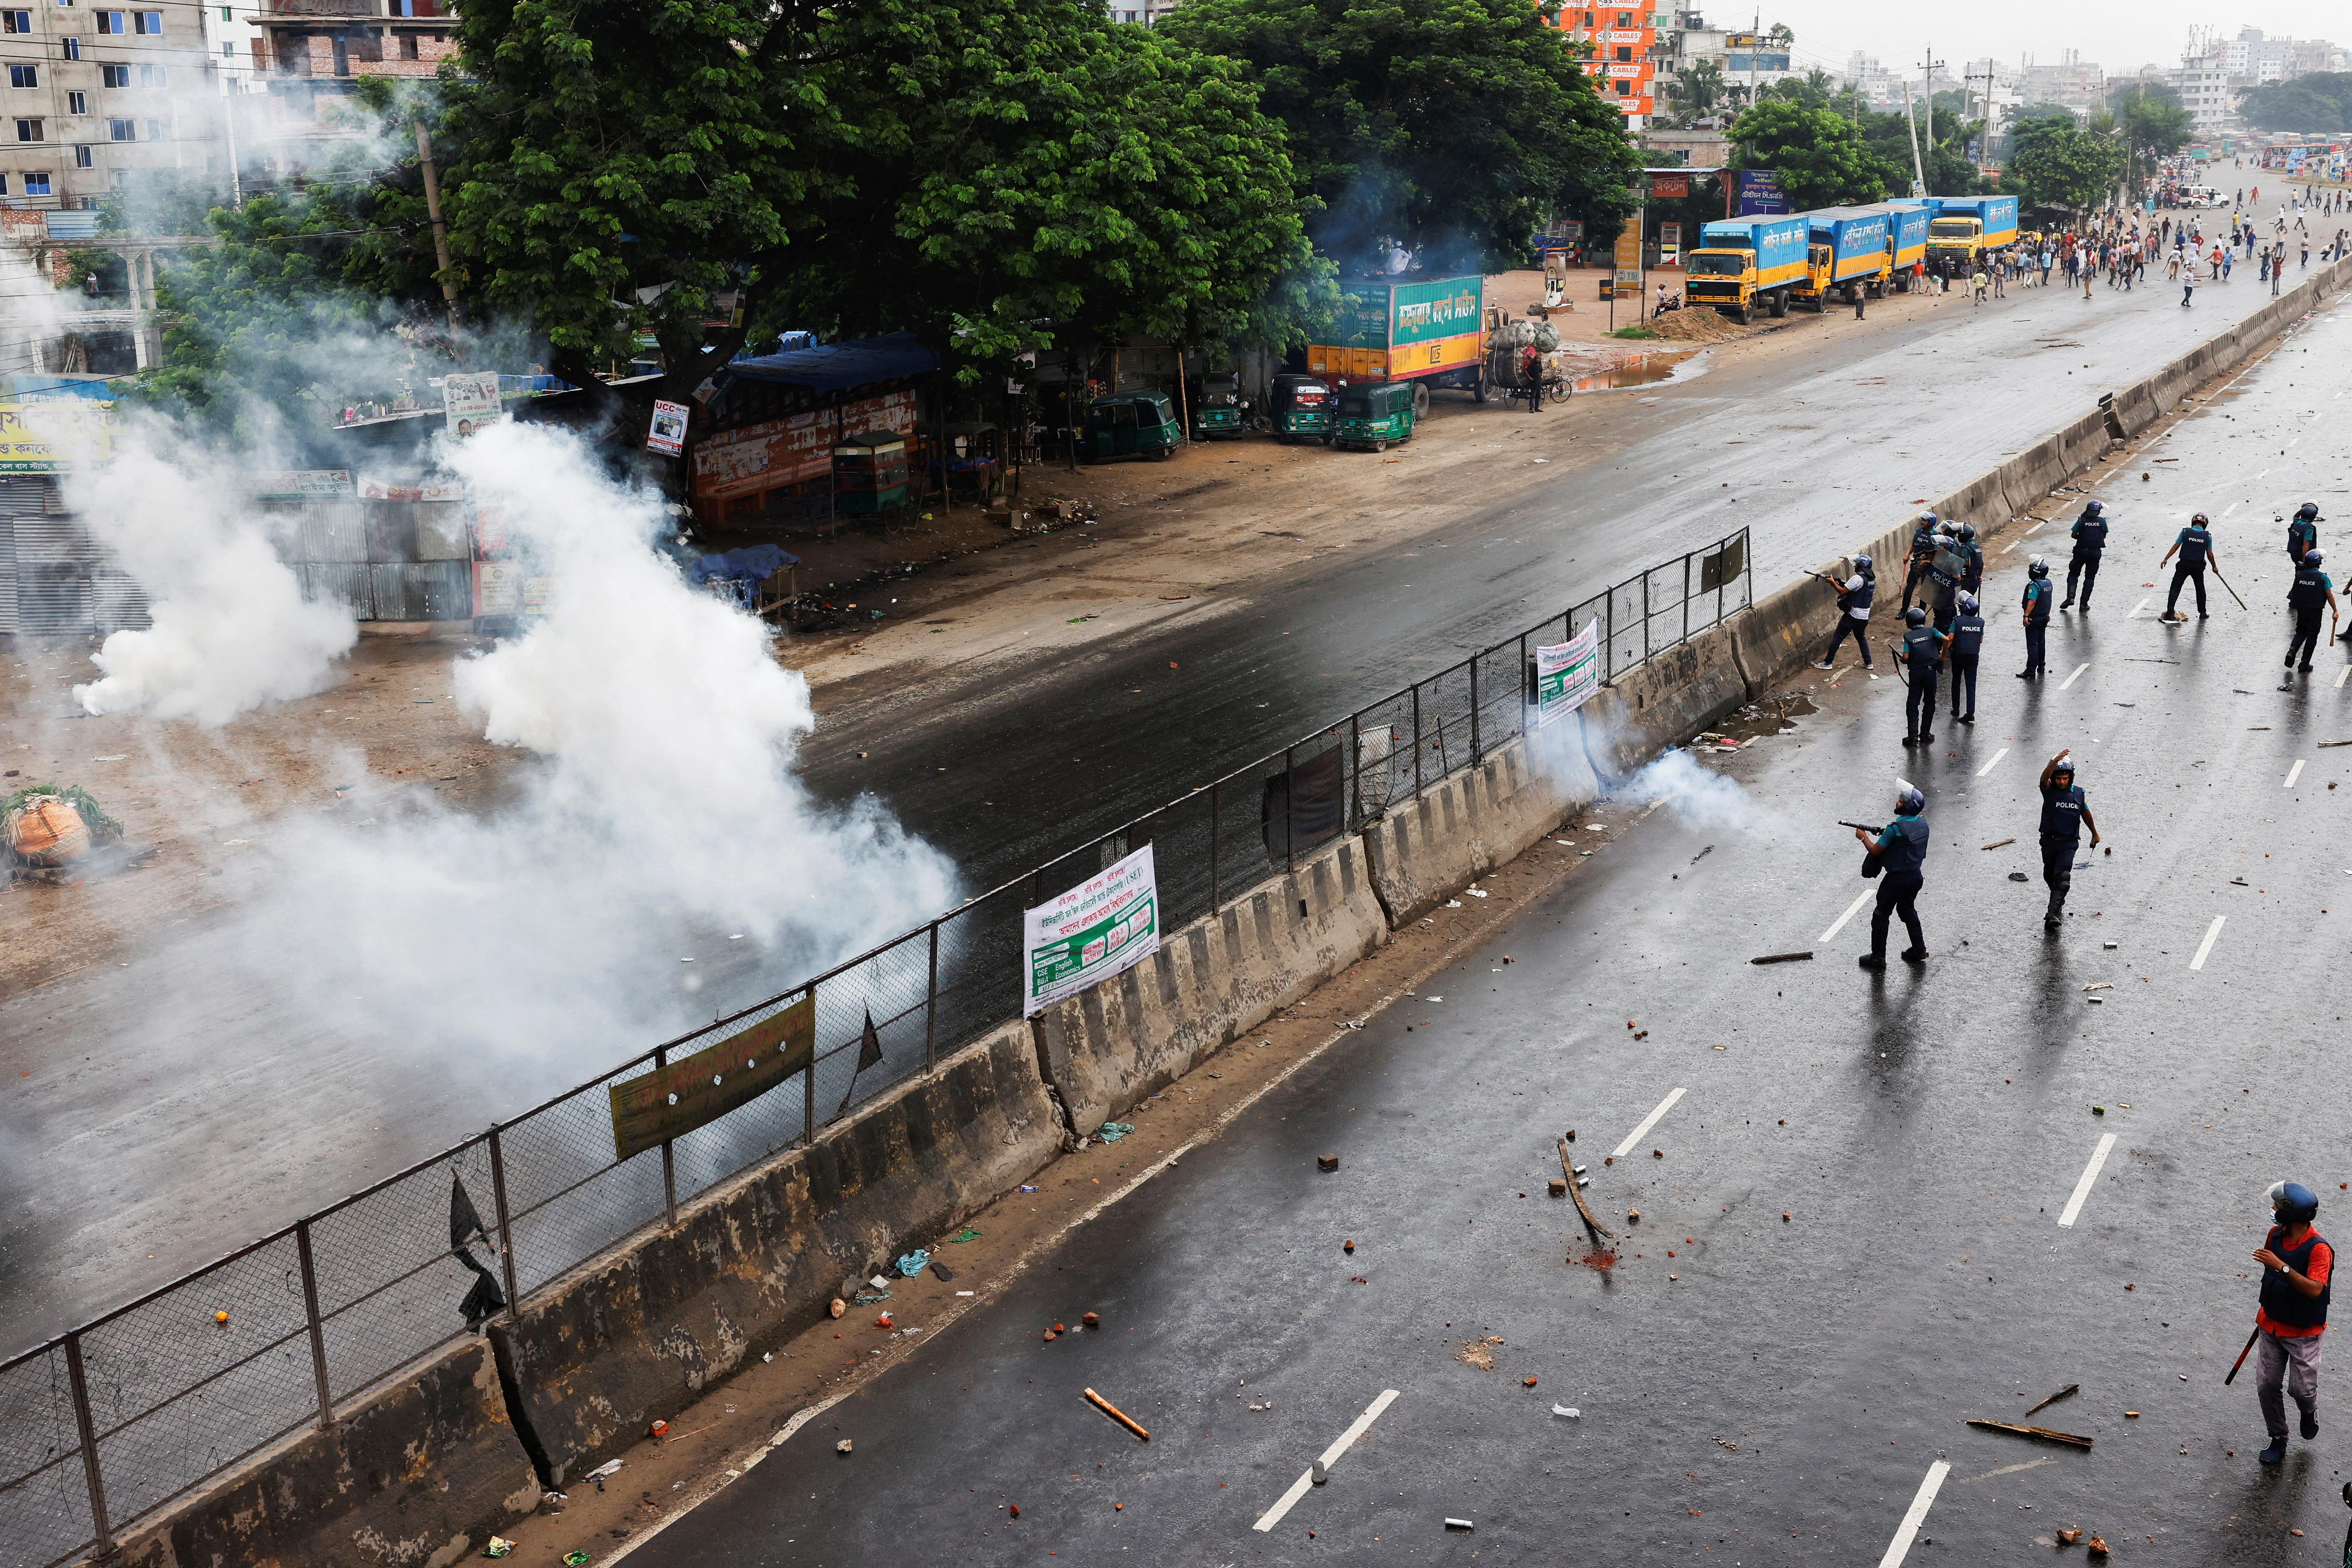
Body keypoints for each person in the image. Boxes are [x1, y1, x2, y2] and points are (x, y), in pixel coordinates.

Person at [2250, 1181, 2332, 1466]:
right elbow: (2270, 1274)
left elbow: (2314, 1290)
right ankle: (2278, 1437)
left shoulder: (2319, 1249)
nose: (2273, 1211)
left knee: (2302, 1390)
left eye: (2277, 1206)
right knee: (2266, 1385)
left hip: (2304, 1334)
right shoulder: (2275, 1235)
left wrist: (2281, 1267)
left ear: (2291, 1212)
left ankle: (2309, 1412)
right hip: (2271, 1326)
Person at [1854, 782, 1928, 970]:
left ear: (1907, 806)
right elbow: (1905, 843)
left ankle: (1878, 958)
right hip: (1916, 877)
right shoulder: (1923, 823)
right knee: (1907, 910)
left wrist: (1864, 837)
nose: (1898, 803)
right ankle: (1919, 950)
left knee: (1881, 915)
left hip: (1896, 880)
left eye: (1901, 802)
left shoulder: (1895, 829)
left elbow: (1876, 851)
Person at [2035, 751, 2100, 927]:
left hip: (2069, 843)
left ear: (2070, 777)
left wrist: (2094, 833)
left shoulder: (2078, 794)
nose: (2062, 781)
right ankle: (2057, 902)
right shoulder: (2048, 792)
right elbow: (2043, 781)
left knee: (2063, 879)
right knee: (2050, 876)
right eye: (2058, 778)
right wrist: (2053, 764)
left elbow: (2085, 812)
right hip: (2049, 842)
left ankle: (2051, 914)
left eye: (2065, 778)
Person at [1813, 553, 1875, 671]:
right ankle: (1869, 662)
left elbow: (1843, 592)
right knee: (1861, 637)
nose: (1855, 565)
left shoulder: (1858, 578)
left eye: (1857, 564)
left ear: (1861, 566)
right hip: (1864, 616)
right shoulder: (1871, 579)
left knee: (1838, 637)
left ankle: (1828, 662)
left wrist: (1833, 583)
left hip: (1853, 615)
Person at [1896, 605, 1946, 748]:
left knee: (1913, 703)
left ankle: (1912, 738)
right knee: (1930, 702)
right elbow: (1947, 640)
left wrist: (1903, 660)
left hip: (1916, 673)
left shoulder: (1908, 637)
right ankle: (1925, 735)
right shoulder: (1931, 631)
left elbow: (1906, 657)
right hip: (1931, 672)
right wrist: (1942, 657)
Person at [2285, 549, 2337, 677]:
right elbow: (2329, 595)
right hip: (2315, 610)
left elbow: (2295, 591)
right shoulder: (2322, 577)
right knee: (2312, 636)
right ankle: (2304, 664)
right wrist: (2335, 610)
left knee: (2301, 632)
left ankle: (2292, 651)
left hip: (2302, 609)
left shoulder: (2299, 576)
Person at [2161, 512, 2217, 622]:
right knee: (2200, 589)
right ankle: (2202, 613)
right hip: (2198, 567)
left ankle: (2170, 612)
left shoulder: (2186, 532)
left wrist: (2166, 558)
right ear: (2205, 524)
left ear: (2193, 522)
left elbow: (2176, 545)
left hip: (2184, 565)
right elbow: (2210, 554)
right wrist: (2214, 567)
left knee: (2175, 587)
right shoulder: (2208, 537)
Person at [2062, 499, 2108, 611]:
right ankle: (2084, 604)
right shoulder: (2103, 521)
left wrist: (2083, 538)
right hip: (2095, 553)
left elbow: (2073, 535)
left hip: (2081, 551)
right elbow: (2104, 536)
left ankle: (2070, 598)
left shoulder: (2081, 521)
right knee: (2090, 577)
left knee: (2074, 573)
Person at [1948, 591, 1984, 725]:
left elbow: (1950, 638)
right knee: (1971, 684)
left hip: (1958, 656)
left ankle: (1956, 709)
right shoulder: (1981, 622)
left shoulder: (1957, 621)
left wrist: (1943, 651)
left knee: (1956, 681)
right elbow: (1981, 640)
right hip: (1973, 657)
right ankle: (1970, 712)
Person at [2018, 555, 2054, 678]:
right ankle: (2041, 665)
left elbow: (2032, 601)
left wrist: (2026, 616)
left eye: (2030, 570)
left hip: (2034, 618)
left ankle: (2031, 669)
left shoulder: (2034, 585)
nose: (2029, 572)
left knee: (2032, 644)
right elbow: (2048, 600)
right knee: (2041, 641)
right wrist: (2048, 613)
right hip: (2044, 617)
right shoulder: (2048, 583)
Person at [1901, 511, 1939, 613]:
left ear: (1931, 522)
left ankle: (1921, 612)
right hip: (1916, 563)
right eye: (1922, 520)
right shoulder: (1918, 532)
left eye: (1925, 521)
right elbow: (1913, 545)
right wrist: (1908, 554)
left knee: (1924, 590)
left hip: (1928, 566)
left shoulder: (1935, 536)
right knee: (1909, 588)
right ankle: (1903, 611)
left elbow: (1937, 552)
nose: (1922, 522)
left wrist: (1927, 560)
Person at [2288, 501, 2320, 566]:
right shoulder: (2309, 528)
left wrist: (2303, 509)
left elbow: (2296, 516)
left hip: (2293, 552)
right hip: (2301, 555)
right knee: (2303, 571)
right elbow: (2306, 544)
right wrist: (2305, 559)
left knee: (2298, 569)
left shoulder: (2297, 522)